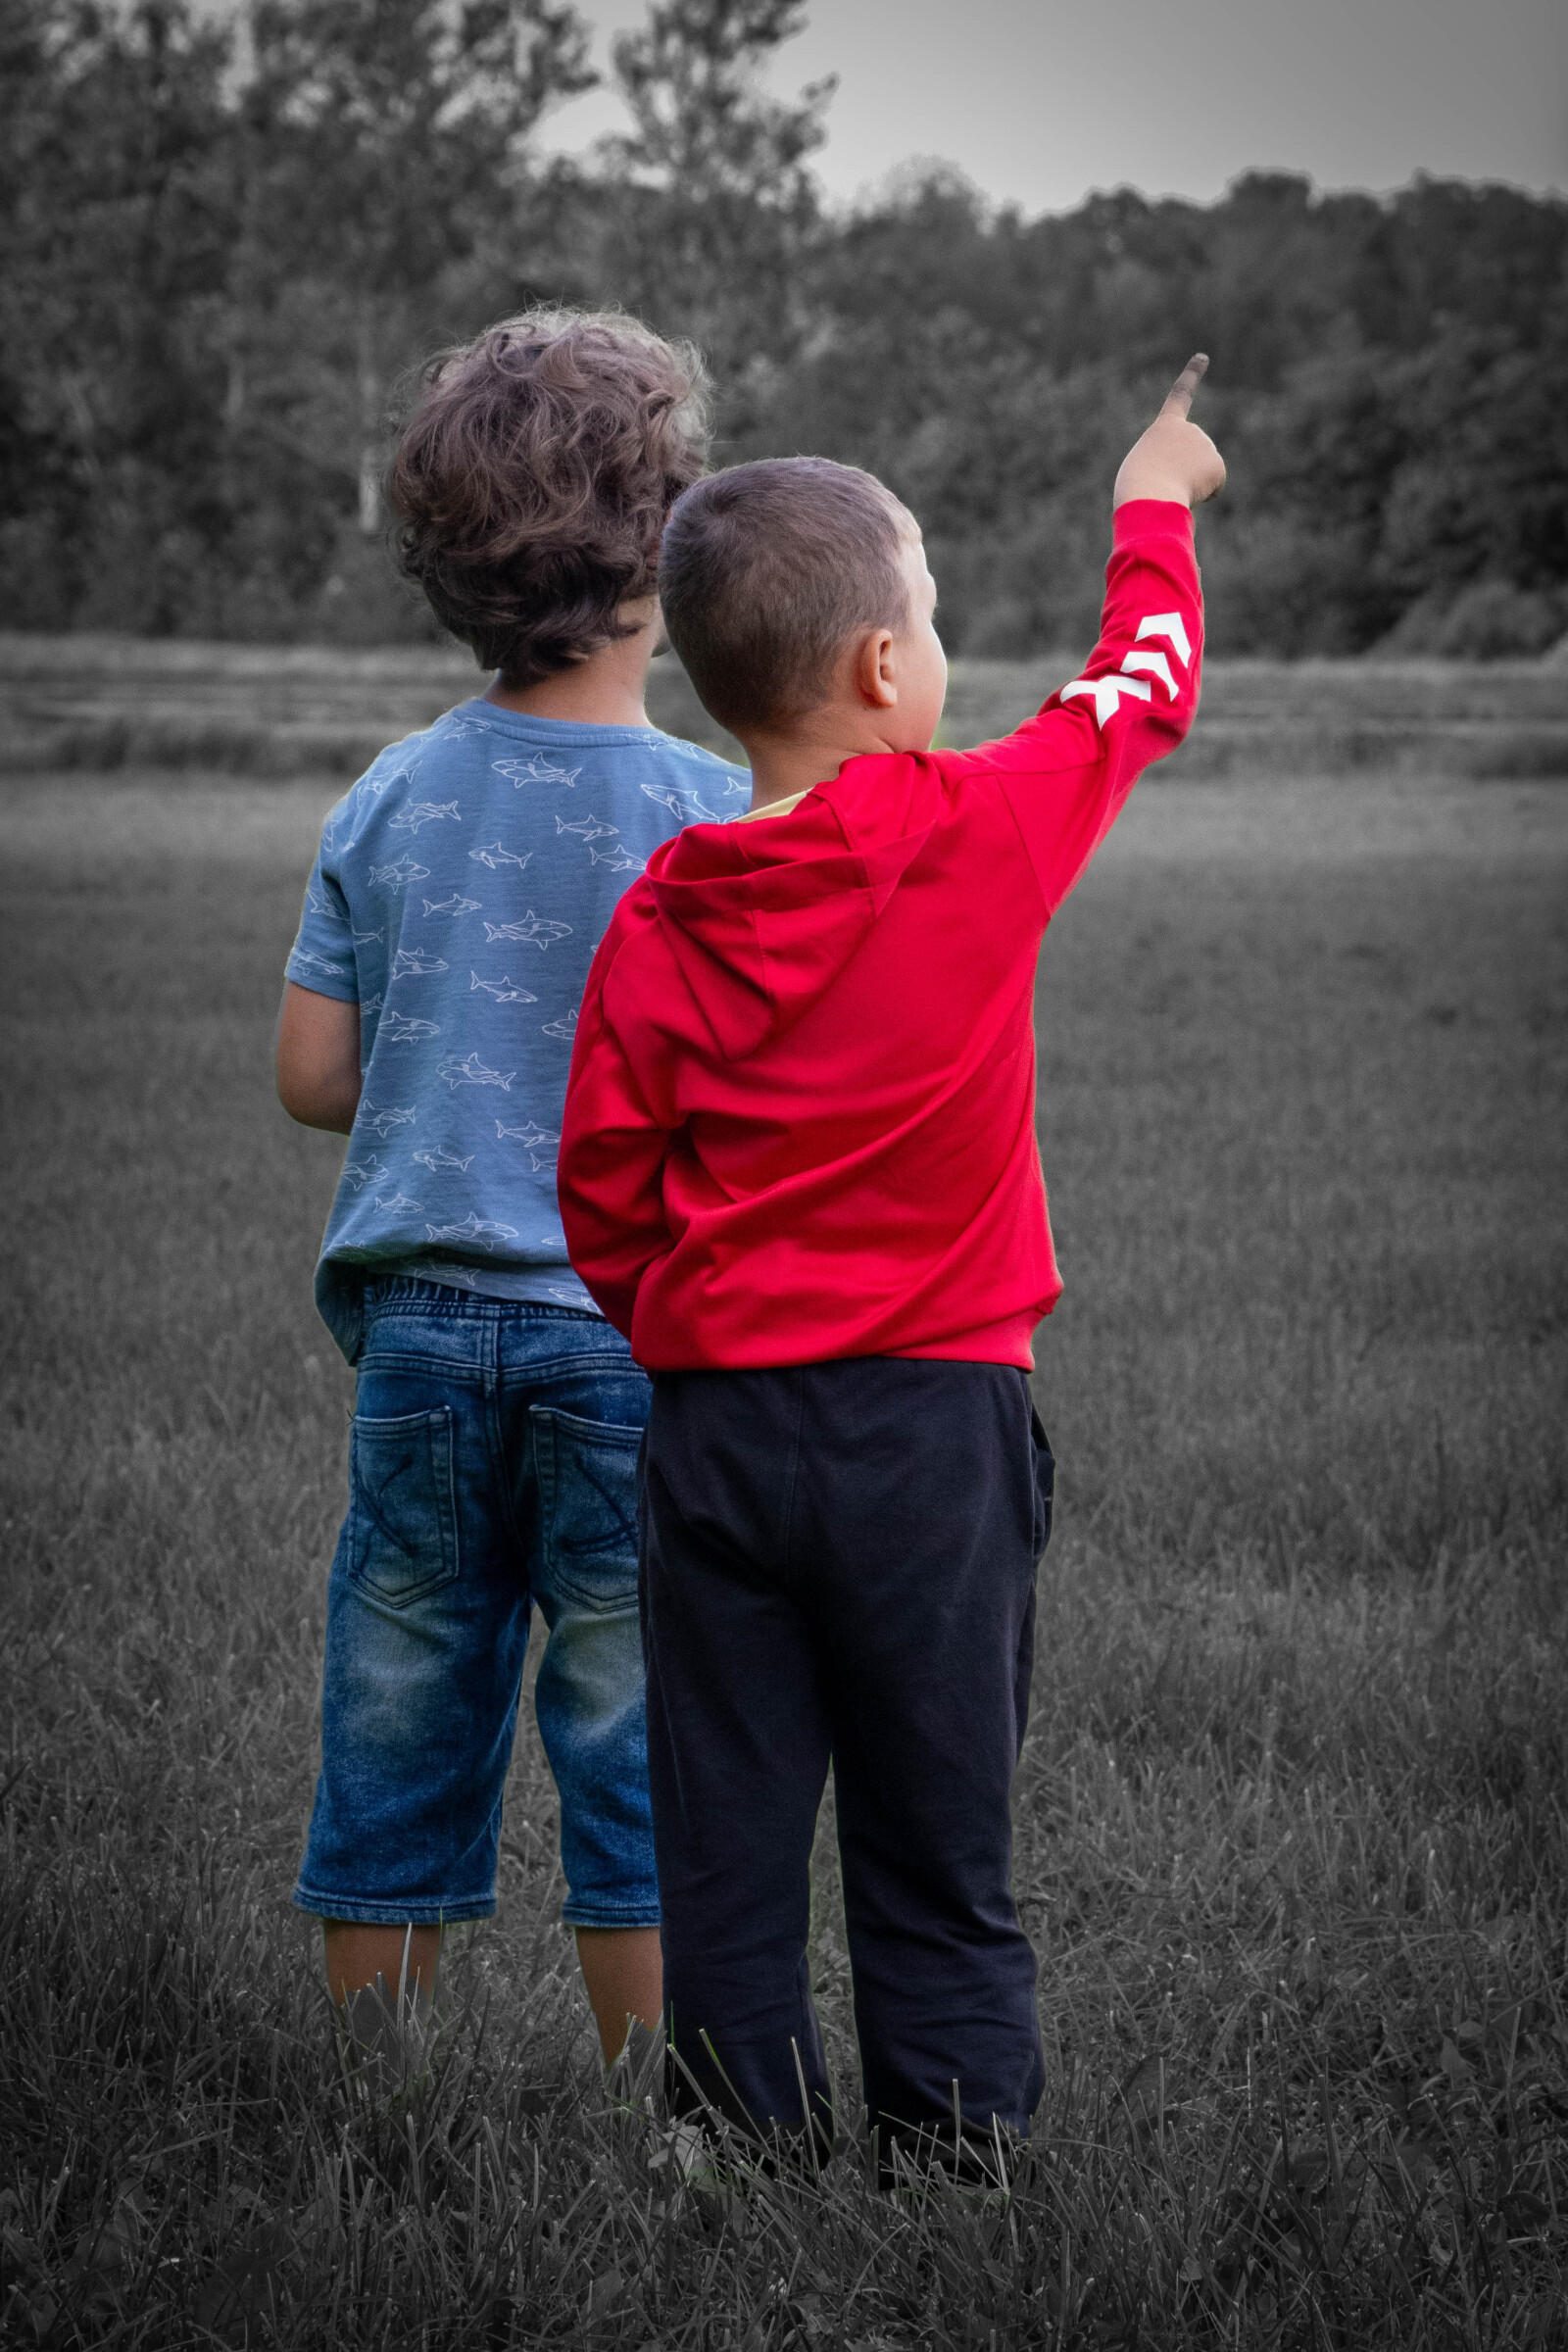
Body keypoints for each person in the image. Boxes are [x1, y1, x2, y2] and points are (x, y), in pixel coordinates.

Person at [557, 358, 1225, 2160]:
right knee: (939, 1833)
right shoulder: (986, 825)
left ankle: (738, 2154)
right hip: (934, 1434)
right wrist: (1151, 498)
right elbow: (1139, 683)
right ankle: (955, 2156)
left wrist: (687, 1325)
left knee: (726, 1837)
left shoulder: (664, 913)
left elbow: (603, 1186)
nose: (940, 645)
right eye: (929, 616)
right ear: (880, 670)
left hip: (717, 1437)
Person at [274, 309, 749, 2064]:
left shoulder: (393, 793)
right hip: (630, 1344)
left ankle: (375, 2097)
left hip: (417, 1341)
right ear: (666, 558)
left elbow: (312, 1076)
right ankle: (658, 2113)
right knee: (634, 1721)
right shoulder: (718, 815)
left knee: (400, 1694)